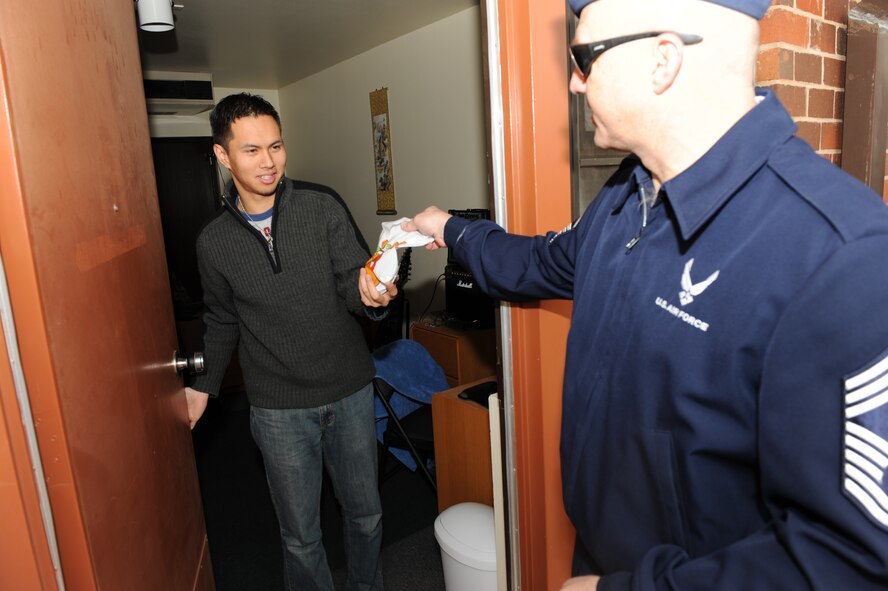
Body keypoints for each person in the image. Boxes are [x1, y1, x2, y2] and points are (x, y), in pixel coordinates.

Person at [403, 0, 888, 589]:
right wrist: (452, 228)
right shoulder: (624, 196)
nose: (575, 83)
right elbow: (537, 263)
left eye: (584, 59)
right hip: (602, 555)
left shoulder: (841, 255)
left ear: (663, 60)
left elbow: (850, 561)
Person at [185, 92, 395, 591]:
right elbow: (221, 319)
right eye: (252, 150)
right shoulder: (213, 242)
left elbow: (355, 281)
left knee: (366, 516)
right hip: (277, 409)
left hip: (348, 390)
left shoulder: (321, 206)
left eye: (275, 147)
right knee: (300, 537)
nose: (269, 161)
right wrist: (202, 386)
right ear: (222, 155)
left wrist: (373, 295)